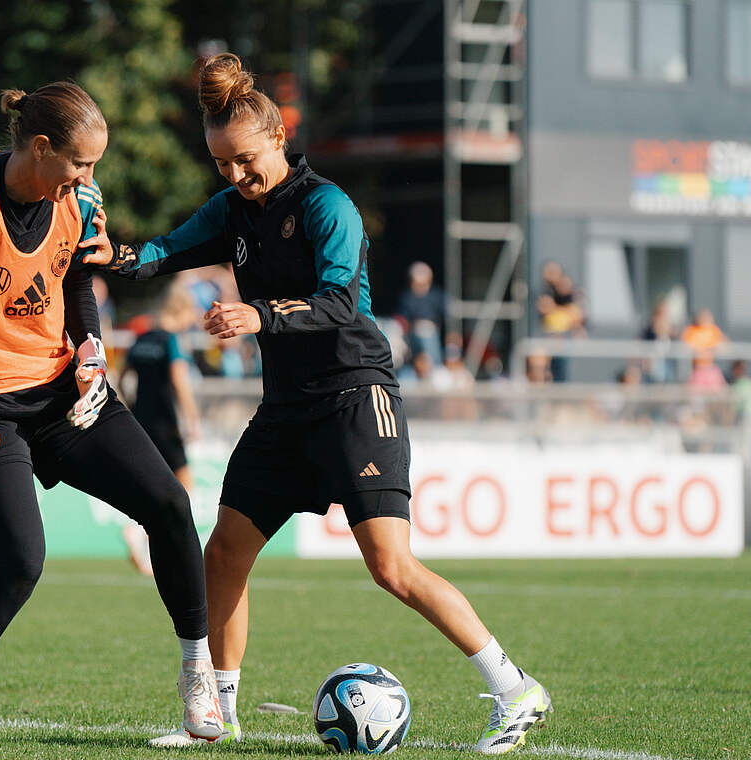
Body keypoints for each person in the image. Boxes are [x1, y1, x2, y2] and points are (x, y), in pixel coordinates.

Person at [87, 53, 550, 754]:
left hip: (356, 398)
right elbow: (160, 253)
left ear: (275, 137)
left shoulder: (328, 206)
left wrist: (256, 315)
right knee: (225, 556)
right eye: (221, 166)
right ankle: (221, 716)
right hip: (286, 412)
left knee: (390, 566)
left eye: (244, 159)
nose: (235, 175)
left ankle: (516, 689)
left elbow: (339, 302)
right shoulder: (231, 210)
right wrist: (107, 253)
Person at [0, 81, 223, 758]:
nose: (92, 178)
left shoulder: (79, 200)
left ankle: (201, 676)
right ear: (42, 147)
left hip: (62, 393)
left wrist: (91, 347)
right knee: (20, 564)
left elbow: (78, 281)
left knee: (169, 505)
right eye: (82, 164)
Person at [120, 286, 203, 575]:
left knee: (153, 486)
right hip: (167, 424)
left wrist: (131, 408)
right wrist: (192, 418)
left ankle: (142, 533)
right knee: (183, 486)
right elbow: (180, 381)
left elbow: (121, 376)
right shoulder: (172, 341)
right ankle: (151, 535)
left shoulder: (141, 338)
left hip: (142, 422)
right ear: (182, 311)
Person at [397, 260, 445, 377]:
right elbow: (402, 318)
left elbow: (444, 315)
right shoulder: (407, 297)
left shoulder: (436, 295)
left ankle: (434, 373)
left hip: (431, 332)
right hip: (412, 334)